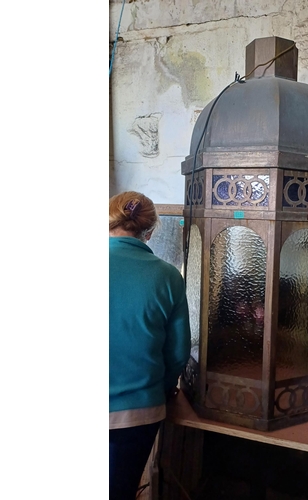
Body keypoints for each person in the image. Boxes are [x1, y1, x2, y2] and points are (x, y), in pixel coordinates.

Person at [109, 191, 191, 500]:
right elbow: (178, 352)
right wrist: (165, 388)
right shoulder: (168, 275)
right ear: (151, 231)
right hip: (138, 412)